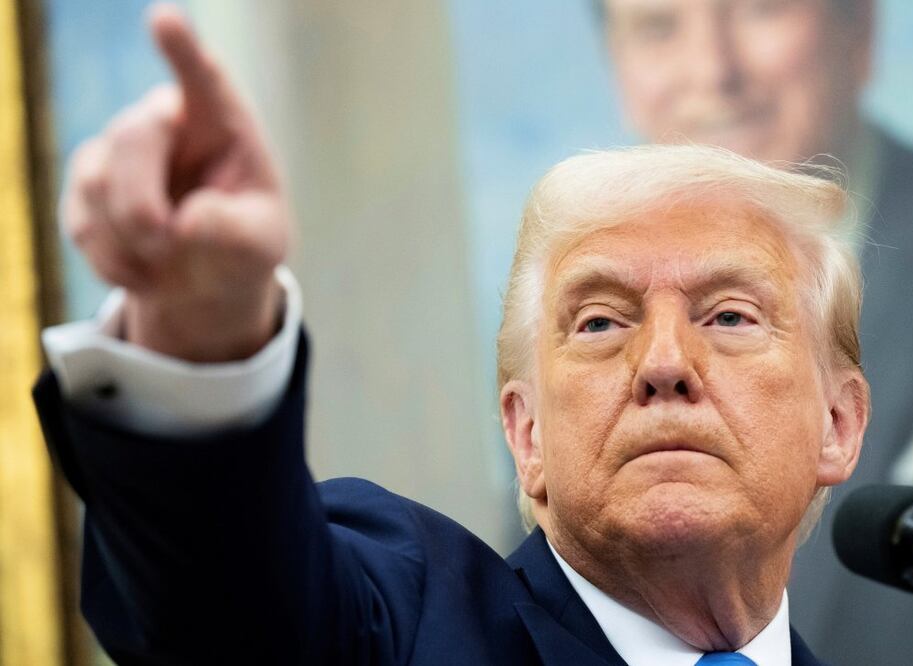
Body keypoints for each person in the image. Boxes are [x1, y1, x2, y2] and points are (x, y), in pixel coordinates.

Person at [35, 6, 869, 665]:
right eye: (601, 322)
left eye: (728, 316)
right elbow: (229, 609)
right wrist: (201, 335)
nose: (662, 364)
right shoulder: (402, 626)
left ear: (838, 424)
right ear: (527, 432)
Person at [599, 0, 913, 663]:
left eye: (759, 11)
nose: (712, 70)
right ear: (618, 67)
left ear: (857, 27)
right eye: (658, 27)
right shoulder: (579, 338)